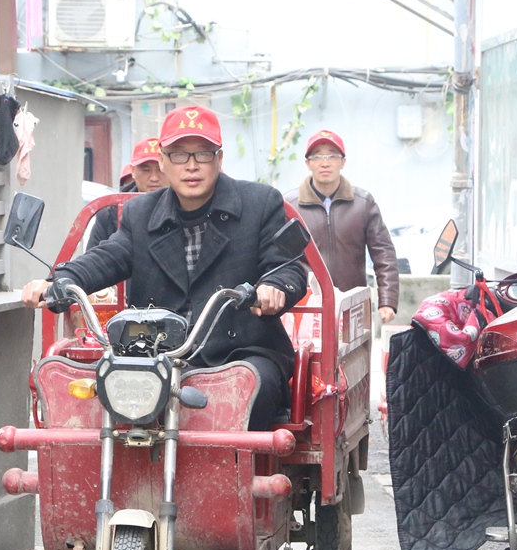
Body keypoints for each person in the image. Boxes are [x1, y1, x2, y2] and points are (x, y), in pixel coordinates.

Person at [23, 106, 306, 429]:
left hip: (240, 354)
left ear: (219, 158)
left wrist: (274, 289)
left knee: (248, 390)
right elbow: (108, 255)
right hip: (154, 355)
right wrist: (61, 280)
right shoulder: (140, 213)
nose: (192, 166)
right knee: (97, 401)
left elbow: (287, 268)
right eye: (179, 155)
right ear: (162, 160)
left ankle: (237, 477)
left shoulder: (260, 203)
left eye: (202, 154)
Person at [283, 129, 399, 324]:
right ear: (308, 163)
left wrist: (387, 301)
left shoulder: (363, 203)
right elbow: (279, 258)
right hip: (308, 308)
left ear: (343, 162)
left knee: (354, 354)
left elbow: (383, 253)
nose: (325, 162)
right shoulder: (290, 206)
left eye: (332, 156)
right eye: (317, 156)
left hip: (352, 305)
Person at [90, 137, 166, 248]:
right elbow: (95, 258)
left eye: (160, 169)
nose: (154, 178)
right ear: (133, 171)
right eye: (146, 170)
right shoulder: (110, 213)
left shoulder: (186, 205)